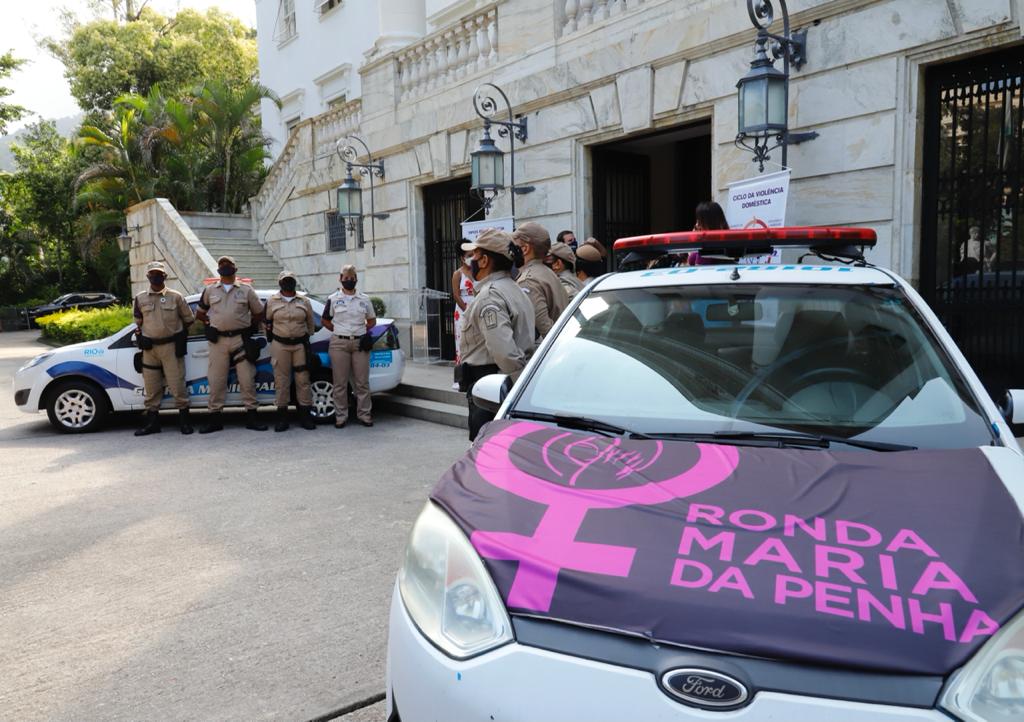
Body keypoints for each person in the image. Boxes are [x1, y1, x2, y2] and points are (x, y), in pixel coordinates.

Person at [459, 229, 535, 441]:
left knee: (486, 452)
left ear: (484, 261)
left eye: (474, 255)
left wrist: (519, 393)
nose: (470, 260)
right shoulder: (514, 289)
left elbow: (505, 353)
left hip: (492, 391)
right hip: (502, 384)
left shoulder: (490, 296)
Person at [195, 255, 267, 433]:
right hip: (218, 340)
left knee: (246, 378)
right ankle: (215, 419)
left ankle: (252, 417)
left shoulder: (246, 290)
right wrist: (208, 324)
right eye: (222, 265)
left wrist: (250, 327)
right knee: (216, 380)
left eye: (229, 265)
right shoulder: (210, 291)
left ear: (235, 268)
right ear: (218, 269)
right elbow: (199, 313)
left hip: (240, 340)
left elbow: (259, 312)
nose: (225, 267)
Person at [132, 260, 196, 436]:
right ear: (147, 276)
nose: (155, 276)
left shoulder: (176, 296)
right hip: (150, 349)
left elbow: (189, 319)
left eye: (159, 274)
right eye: (152, 274)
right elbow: (137, 323)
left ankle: (184, 422)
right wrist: (140, 337)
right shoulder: (140, 298)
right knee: (151, 387)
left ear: (165, 276)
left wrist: (180, 336)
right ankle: (153, 424)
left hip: (171, 347)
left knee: (177, 385)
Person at [322, 264, 376, 428]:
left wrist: (361, 330)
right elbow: (325, 320)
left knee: (362, 383)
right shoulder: (333, 299)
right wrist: (338, 330)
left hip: (359, 342)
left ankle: (364, 415)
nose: (349, 281)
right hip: (339, 343)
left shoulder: (364, 299)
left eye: (352, 278)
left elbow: (372, 320)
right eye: (346, 278)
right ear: (340, 279)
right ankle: (341, 416)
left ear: (356, 280)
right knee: (340, 383)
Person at [264, 270, 317, 432]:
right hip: (280, 345)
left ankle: (305, 417)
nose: (288, 283)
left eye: (290, 280)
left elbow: (310, 325)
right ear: (280, 283)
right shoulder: (272, 301)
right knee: (281, 381)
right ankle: (282, 418)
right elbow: (266, 323)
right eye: (285, 280)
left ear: (294, 282)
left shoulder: (304, 301)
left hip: (300, 346)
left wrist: (301, 336)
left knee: (303, 380)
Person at [513, 221, 569, 339]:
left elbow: (546, 330)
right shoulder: (546, 272)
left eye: (514, 245)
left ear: (525, 249)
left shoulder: (528, 281)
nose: (511, 251)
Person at [451, 246, 475, 390]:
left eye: (474, 254)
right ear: (462, 257)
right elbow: (456, 294)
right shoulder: (457, 274)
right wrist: (466, 310)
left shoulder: (477, 272)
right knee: (461, 342)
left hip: (477, 305)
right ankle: (459, 378)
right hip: (462, 309)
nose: (472, 257)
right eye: (469, 255)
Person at [688, 201, 730, 266]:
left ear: (712, 223)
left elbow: (699, 271)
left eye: (701, 221)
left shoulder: (709, 247)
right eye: (697, 220)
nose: (697, 225)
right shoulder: (703, 244)